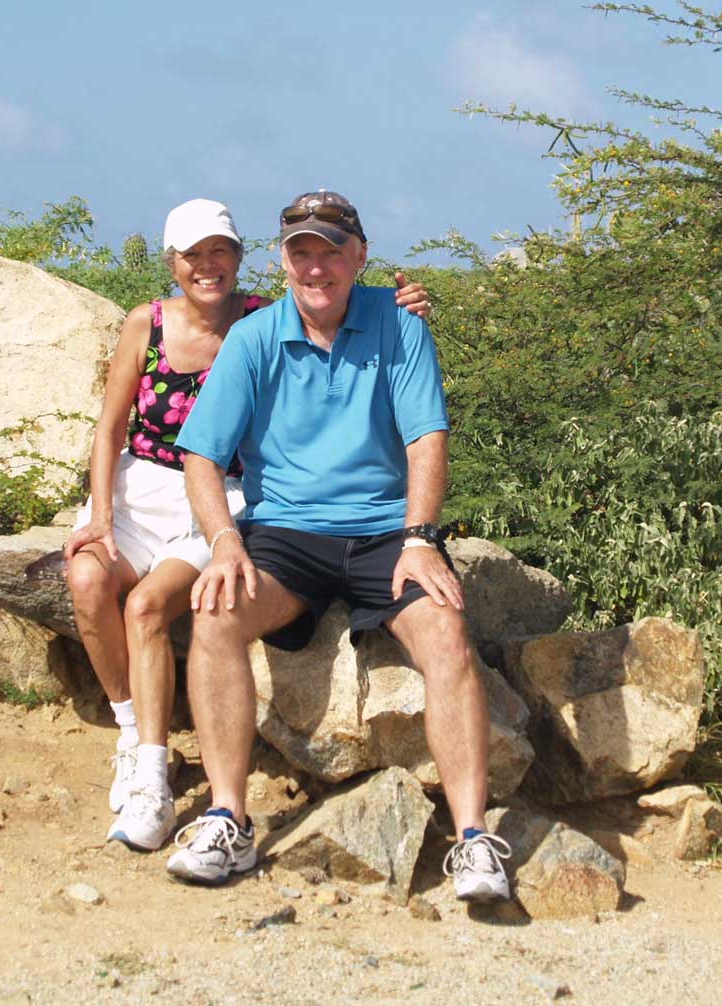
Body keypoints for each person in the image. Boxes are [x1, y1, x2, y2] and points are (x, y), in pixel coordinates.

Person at [168, 190, 513, 902]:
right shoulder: (256, 338)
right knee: (216, 617)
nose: (317, 267)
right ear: (283, 260)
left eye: (331, 251)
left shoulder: (401, 325)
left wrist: (421, 537)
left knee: (446, 634)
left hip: (388, 530)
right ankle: (228, 818)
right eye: (302, 252)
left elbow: (426, 437)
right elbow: (201, 453)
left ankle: (475, 839)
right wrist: (225, 541)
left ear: (360, 256)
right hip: (287, 534)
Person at [62, 197, 432, 853]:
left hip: (216, 494)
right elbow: (110, 426)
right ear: (171, 262)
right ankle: (130, 728)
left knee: (148, 606)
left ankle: (152, 775)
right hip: (139, 486)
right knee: (88, 581)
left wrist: (402, 309)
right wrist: (99, 516)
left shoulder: (263, 316)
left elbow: (338, 298)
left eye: (219, 252)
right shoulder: (144, 324)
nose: (207, 266)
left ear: (238, 257)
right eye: (192, 254)